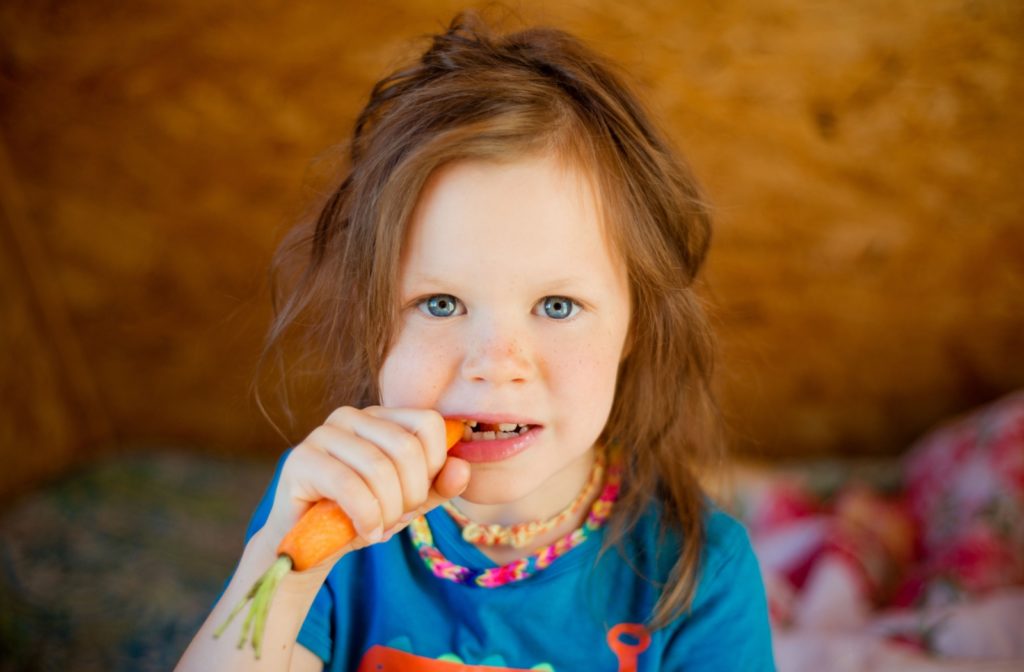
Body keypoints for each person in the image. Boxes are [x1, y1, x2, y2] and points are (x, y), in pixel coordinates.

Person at [177, 9, 774, 671]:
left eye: (556, 304)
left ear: (636, 322)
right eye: (440, 303)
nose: (495, 366)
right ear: (372, 315)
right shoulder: (332, 514)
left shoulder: (702, 572)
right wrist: (279, 569)